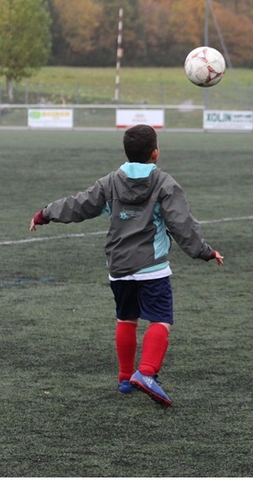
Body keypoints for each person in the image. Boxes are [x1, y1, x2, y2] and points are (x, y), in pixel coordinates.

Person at [29, 124, 223, 406]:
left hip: (119, 266)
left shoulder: (110, 182)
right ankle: (145, 373)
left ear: (126, 152)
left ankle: (124, 379)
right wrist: (204, 252)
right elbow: (182, 225)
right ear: (155, 153)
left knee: (126, 318)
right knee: (161, 320)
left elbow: (79, 204)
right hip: (152, 268)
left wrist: (45, 214)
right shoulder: (165, 184)